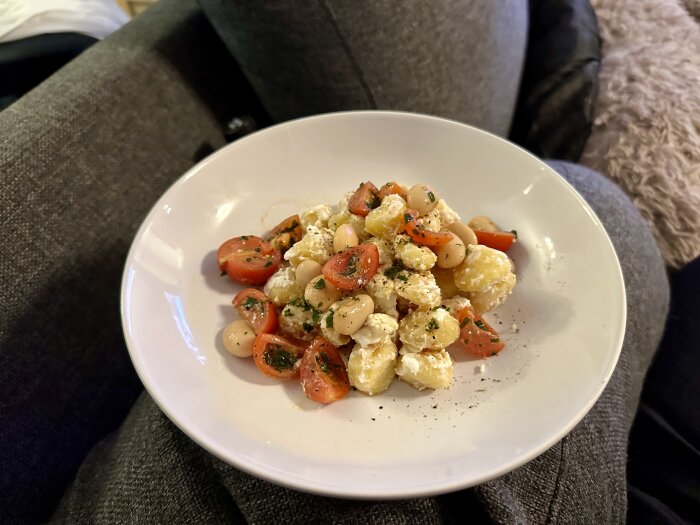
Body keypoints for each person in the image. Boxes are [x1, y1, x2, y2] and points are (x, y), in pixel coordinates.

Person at [0, 1, 670, 523]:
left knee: (595, 198)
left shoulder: (417, 267)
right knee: (601, 200)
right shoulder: (329, 282)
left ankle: (58, 24)